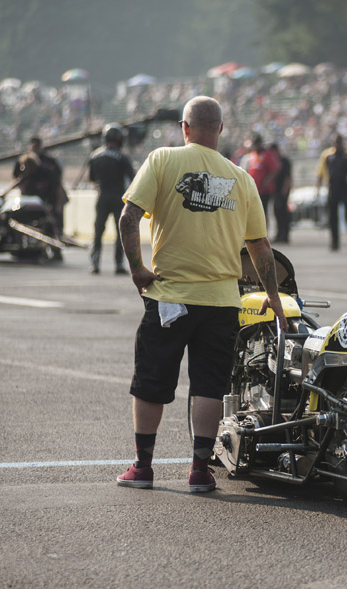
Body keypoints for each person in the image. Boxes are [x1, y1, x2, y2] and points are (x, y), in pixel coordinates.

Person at [115, 96, 287, 493]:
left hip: (169, 297)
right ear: (221, 130)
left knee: (151, 381)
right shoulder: (241, 178)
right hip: (222, 301)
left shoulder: (162, 159)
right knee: (209, 385)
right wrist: (274, 296)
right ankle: (199, 470)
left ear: (185, 127)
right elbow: (260, 247)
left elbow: (128, 217)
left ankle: (142, 467)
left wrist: (137, 268)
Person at [88, 125, 136, 275]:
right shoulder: (122, 157)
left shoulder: (95, 156)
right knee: (120, 232)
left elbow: (92, 178)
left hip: (102, 197)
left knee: (98, 231)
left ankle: (95, 263)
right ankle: (119, 264)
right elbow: (133, 179)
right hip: (118, 197)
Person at [12, 137, 65, 237]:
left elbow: (57, 185)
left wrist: (59, 204)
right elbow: (17, 180)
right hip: (29, 203)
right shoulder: (25, 173)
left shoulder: (47, 170)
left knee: (51, 224)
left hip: (46, 203)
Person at [316, 134, 347, 251]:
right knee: (333, 217)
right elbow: (320, 173)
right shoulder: (327, 155)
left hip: (346, 188)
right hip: (333, 188)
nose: (337, 145)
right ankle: (335, 241)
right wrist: (318, 189)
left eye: (339, 142)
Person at [239, 133, 280, 217]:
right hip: (254, 189)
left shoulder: (267, 154)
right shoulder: (252, 154)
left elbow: (275, 169)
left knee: (263, 211)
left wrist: (267, 180)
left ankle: (265, 225)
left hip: (264, 190)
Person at [268, 142, 292, 244]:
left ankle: (284, 235)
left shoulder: (284, 161)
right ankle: (280, 234)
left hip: (282, 191)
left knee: (282, 213)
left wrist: (284, 190)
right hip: (276, 191)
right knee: (277, 212)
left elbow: (287, 177)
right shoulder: (275, 161)